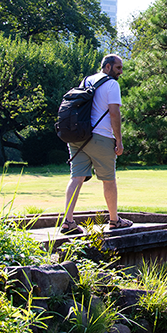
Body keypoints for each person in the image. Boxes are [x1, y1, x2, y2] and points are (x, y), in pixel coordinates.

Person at [60, 54, 133, 234]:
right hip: (101, 137)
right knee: (109, 180)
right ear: (107, 67)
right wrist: (119, 140)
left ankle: (68, 221)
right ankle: (114, 220)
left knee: (76, 177)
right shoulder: (111, 84)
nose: (121, 72)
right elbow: (114, 113)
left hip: (78, 137)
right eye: (118, 68)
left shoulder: (87, 81)